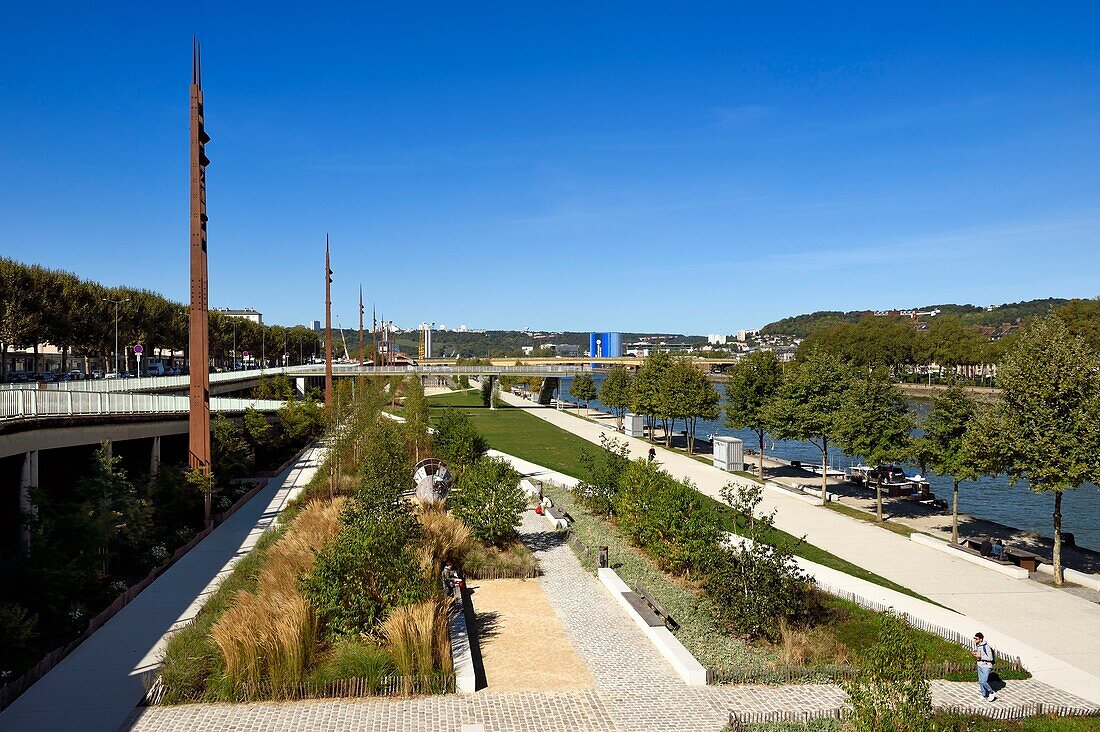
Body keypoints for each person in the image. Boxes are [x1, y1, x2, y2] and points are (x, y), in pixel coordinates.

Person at [972, 632, 997, 701]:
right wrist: (975, 654)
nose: (975, 640)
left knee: (984, 681)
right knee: (980, 681)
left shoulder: (986, 647)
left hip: (986, 666)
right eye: (975, 638)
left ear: (981, 639)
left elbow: (990, 658)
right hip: (980, 665)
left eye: (976, 639)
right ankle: (984, 694)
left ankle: (991, 692)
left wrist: (981, 657)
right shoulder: (977, 645)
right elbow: (979, 654)